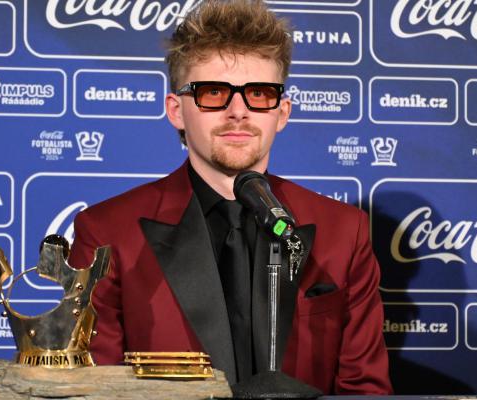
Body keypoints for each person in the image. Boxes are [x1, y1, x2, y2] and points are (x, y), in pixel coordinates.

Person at [69, 0, 392, 394]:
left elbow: (365, 391)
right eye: (214, 92)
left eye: (259, 93)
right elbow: (95, 391)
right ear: (176, 110)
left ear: (282, 112)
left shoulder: (344, 231)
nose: (238, 111)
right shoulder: (107, 232)